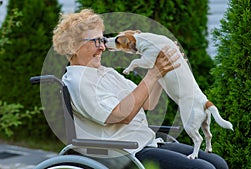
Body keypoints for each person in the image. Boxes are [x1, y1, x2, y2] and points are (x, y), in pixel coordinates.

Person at [52, 9, 229, 169]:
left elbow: (147, 102)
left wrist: (165, 68)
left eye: (102, 40)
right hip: (122, 153)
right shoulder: (78, 81)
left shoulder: (106, 73)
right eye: (96, 41)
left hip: (145, 143)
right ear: (73, 47)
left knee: (218, 163)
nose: (103, 47)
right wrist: (153, 73)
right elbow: (122, 114)